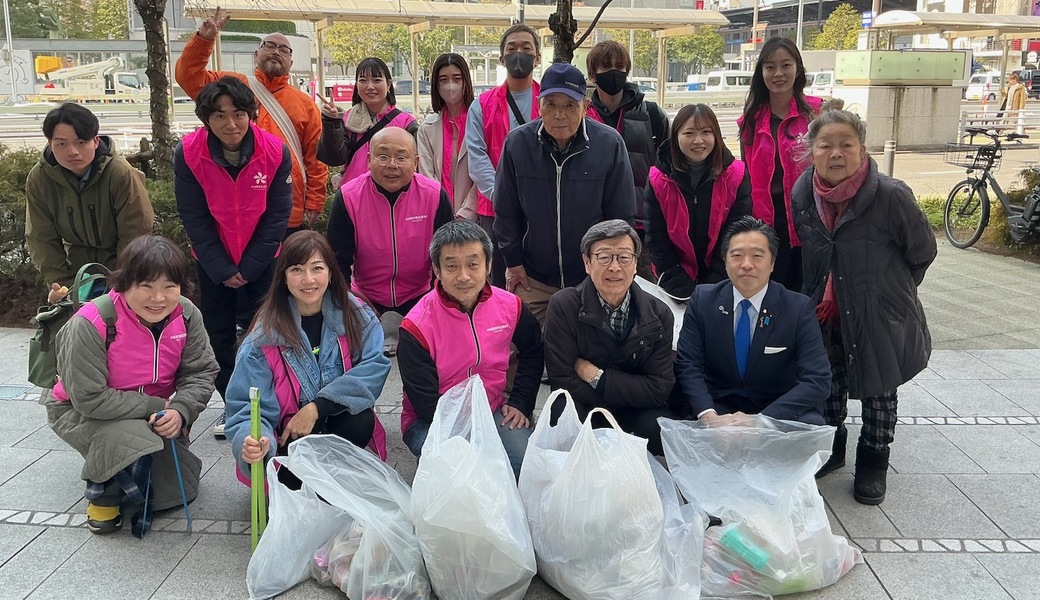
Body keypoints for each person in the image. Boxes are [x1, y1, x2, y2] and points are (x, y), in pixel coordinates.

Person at [791, 108, 937, 505]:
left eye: (846, 145)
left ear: (862, 149)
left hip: (879, 312)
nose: (835, 153)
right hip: (826, 313)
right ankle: (833, 447)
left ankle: (873, 461)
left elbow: (922, 251)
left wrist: (890, 293)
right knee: (829, 388)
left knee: (879, 391)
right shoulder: (803, 191)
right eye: (826, 145)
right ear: (811, 150)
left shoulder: (891, 195)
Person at [44, 235, 218, 535]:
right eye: (146, 285)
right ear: (124, 283)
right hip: (79, 411)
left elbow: (201, 372)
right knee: (129, 436)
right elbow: (89, 399)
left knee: (177, 492)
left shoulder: (187, 315)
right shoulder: (91, 322)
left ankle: (128, 471)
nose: (158, 298)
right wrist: (156, 406)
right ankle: (102, 498)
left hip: (155, 410)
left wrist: (180, 410)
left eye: (169, 286)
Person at [225, 231, 391, 486]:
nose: (308, 279)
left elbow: (374, 367)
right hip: (289, 439)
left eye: (317, 268)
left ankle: (334, 487)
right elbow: (246, 406)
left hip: (337, 427)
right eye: (297, 270)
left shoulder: (357, 315)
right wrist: (251, 441)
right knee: (294, 485)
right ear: (283, 277)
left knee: (359, 420)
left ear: (331, 272)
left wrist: (316, 408)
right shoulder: (263, 338)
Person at [174, 77, 293, 425]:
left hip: (262, 261)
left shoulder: (274, 151)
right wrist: (223, 269)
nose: (231, 124)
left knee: (268, 330)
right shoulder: (189, 153)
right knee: (218, 335)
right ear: (206, 118)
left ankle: (273, 400)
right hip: (213, 263)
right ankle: (233, 401)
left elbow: (277, 217)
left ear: (251, 114)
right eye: (220, 116)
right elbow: (193, 217)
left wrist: (252, 266)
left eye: (239, 114)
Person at [494, 62, 636, 325]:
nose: (560, 114)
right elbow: (505, 211)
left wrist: (607, 268)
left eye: (570, 105)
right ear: (539, 106)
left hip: (590, 278)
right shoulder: (517, 144)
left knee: (584, 354)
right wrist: (513, 262)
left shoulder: (609, 144)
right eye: (551, 104)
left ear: (585, 106)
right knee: (519, 350)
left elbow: (621, 216)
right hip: (533, 278)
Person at [398, 220, 543, 478]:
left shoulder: (510, 307)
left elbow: (533, 351)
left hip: (493, 409)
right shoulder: (416, 325)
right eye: (452, 266)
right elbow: (424, 401)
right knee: (460, 479)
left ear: (488, 265)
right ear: (437, 269)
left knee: (526, 471)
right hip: (432, 421)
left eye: (473, 264)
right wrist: (475, 443)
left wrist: (521, 402)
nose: (464, 276)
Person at [175, 7, 327, 236]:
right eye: (270, 46)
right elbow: (189, 78)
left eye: (284, 49)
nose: (276, 51)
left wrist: (314, 202)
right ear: (256, 55)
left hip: (289, 209)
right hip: (238, 207)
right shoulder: (232, 86)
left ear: (291, 61)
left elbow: (315, 158)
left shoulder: (305, 104)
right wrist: (204, 41)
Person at [674, 216, 830, 426]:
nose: (746, 264)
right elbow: (688, 365)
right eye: (737, 255)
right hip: (720, 405)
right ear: (726, 261)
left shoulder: (798, 308)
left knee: (811, 424)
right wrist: (709, 416)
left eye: (757, 256)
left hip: (775, 407)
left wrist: (760, 421)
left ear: (772, 263)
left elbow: (817, 380)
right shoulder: (703, 300)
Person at [543, 220, 675, 456]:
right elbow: (563, 380)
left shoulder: (659, 313)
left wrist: (597, 377)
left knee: (662, 428)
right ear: (587, 262)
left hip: (636, 409)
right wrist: (618, 398)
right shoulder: (564, 305)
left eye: (624, 257)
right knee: (561, 412)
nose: (615, 267)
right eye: (604, 257)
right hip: (587, 405)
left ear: (635, 263)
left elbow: (659, 388)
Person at [326, 127, 455, 356]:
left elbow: (446, 257)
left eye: (401, 157)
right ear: (368, 160)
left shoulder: (433, 195)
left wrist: (436, 299)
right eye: (383, 156)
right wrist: (348, 302)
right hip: (366, 295)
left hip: (420, 293)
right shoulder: (348, 197)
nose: (392, 165)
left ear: (415, 162)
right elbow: (338, 261)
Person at [25, 103, 154, 304]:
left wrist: (122, 281)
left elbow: (136, 232)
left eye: (81, 142)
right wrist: (63, 284)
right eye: (61, 144)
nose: (73, 151)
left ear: (95, 141)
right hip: (75, 271)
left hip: (123, 271)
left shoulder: (120, 173)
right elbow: (41, 237)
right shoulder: (40, 178)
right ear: (50, 143)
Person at [737, 37, 824, 292]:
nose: (778, 73)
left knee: (809, 297)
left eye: (786, 65)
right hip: (768, 226)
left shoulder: (816, 115)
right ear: (761, 72)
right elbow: (747, 178)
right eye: (770, 67)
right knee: (772, 299)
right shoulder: (750, 121)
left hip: (811, 222)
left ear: (797, 69)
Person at [645, 104, 752, 299]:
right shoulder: (657, 179)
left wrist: (716, 279)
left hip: (723, 276)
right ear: (675, 136)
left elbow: (738, 232)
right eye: (689, 133)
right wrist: (675, 275)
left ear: (716, 136)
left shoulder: (736, 175)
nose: (698, 140)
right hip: (674, 277)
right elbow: (655, 237)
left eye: (706, 132)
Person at [465, 24, 542, 286]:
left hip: (541, 208)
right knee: (498, 281)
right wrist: (504, 197)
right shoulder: (482, 104)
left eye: (526, 48)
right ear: (501, 58)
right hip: (495, 210)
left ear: (538, 57)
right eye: (512, 48)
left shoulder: (550, 101)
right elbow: (477, 157)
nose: (519, 53)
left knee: (538, 281)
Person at [585, 40, 669, 278]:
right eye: (606, 66)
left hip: (643, 225)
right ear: (592, 75)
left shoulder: (651, 114)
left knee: (643, 294)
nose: (614, 72)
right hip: (595, 225)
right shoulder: (581, 117)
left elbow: (669, 165)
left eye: (620, 66)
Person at [317, 57, 418, 184]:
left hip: (392, 197)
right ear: (357, 86)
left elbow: (415, 167)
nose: (370, 86)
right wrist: (331, 121)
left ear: (388, 85)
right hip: (353, 196)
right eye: (363, 80)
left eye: (377, 80)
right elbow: (334, 159)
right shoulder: (347, 119)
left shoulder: (406, 123)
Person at [417, 53, 478, 220]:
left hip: (475, 217)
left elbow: (484, 172)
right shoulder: (426, 129)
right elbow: (426, 175)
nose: (450, 86)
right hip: (438, 214)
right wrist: (442, 210)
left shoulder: (481, 122)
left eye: (457, 79)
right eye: (443, 80)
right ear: (436, 86)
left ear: (466, 82)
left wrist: (466, 213)